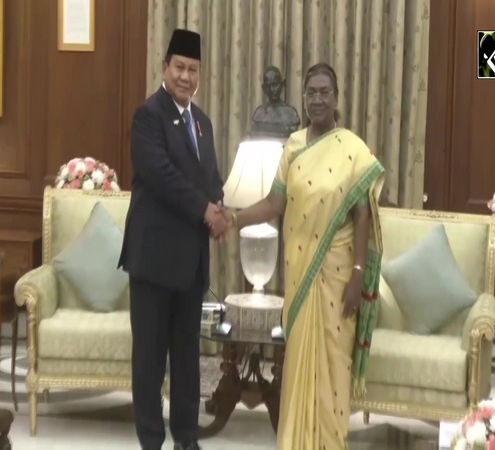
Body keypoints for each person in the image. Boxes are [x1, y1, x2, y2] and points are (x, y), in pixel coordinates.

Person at [226, 63, 385, 449]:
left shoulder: (353, 148)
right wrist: (233, 217)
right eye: (311, 92)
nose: (317, 99)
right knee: (299, 360)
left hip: (339, 273)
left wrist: (357, 275)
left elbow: (362, 213)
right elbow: (274, 203)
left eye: (324, 91)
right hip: (301, 274)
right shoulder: (293, 146)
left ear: (336, 96)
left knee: (333, 365)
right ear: (303, 96)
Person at [118, 28, 228, 450]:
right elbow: (161, 176)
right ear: (164, 67)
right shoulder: (148, 116)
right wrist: (205, 212)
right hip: (152, 261)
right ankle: (151, 441)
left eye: (193, 69)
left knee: (187, 360)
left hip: (190, 265)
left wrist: (220, 210)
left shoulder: (202, 123)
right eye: (179, 67)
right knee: (148, 361)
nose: (185, 76)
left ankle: (187, 439)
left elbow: (210, 178)